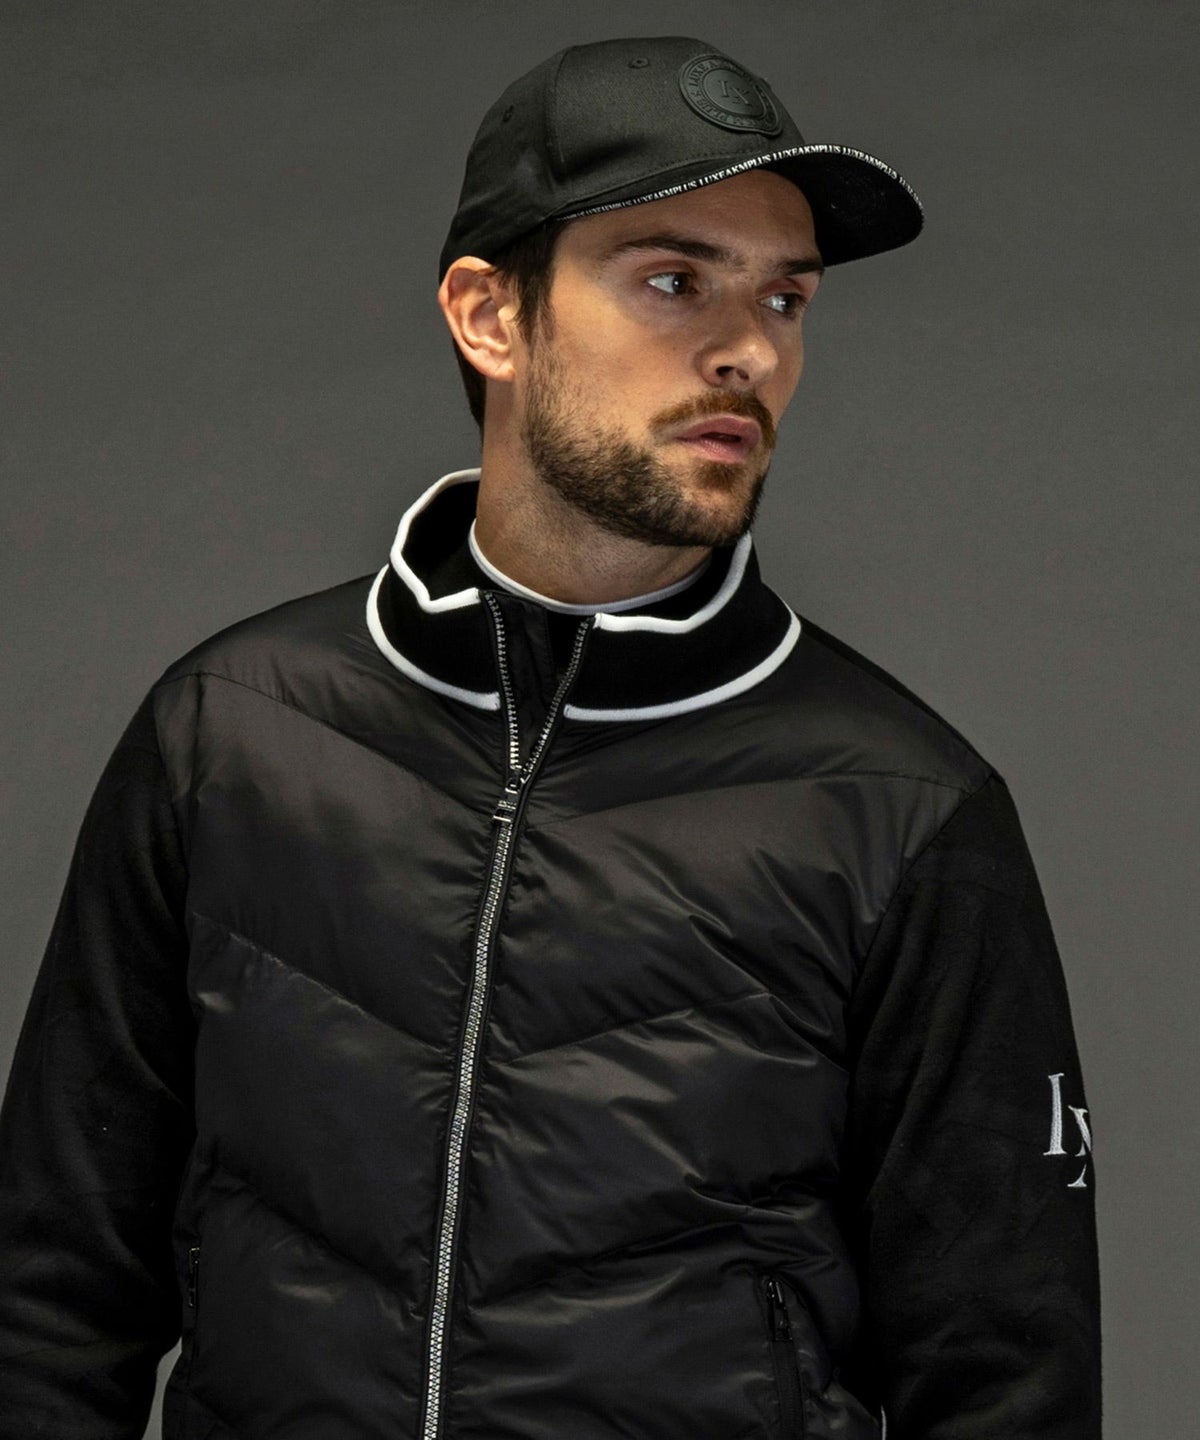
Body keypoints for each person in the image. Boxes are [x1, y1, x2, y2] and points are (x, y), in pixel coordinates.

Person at [0, 34, 1100, 1440]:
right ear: (489, 315)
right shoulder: (231, 732)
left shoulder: (904, 808)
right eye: (674, 279)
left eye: (785, 297)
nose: (752, 348)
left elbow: (1009, 1385)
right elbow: (49, 1300)